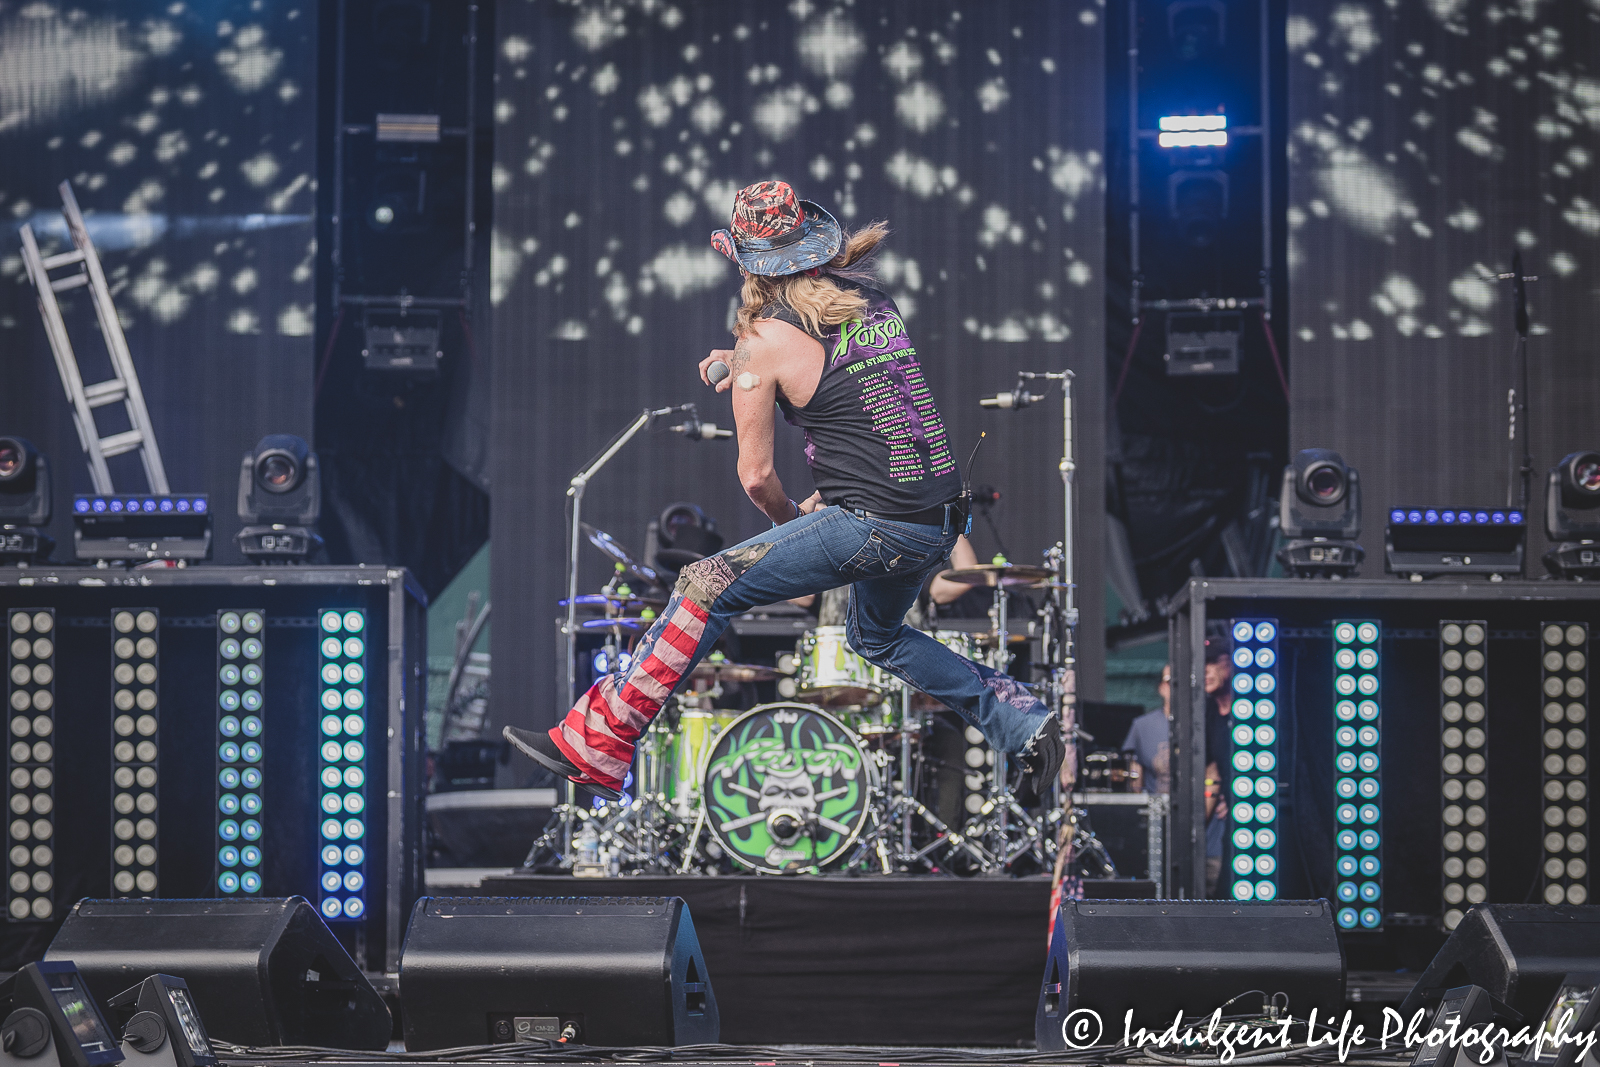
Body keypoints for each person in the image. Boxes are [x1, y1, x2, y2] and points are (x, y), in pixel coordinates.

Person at [505, 180, 1063, 801]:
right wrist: (744, 366)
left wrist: (792, 515)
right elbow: (830, 372)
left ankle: (601, 742)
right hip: (936, 516)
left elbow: (757, 477)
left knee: (703, 584)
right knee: (875, 637)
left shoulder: (761, 346)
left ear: (747, 265)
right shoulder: (867, 301)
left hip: (875, 524)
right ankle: (1022, 720)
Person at [1121, 663, 1171, 794]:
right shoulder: (1142, 725)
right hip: (1156, 805)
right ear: (1161, 687)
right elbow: (1135, 774)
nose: (1176, 687)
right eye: (1170, 681)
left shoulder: (1201, 723)